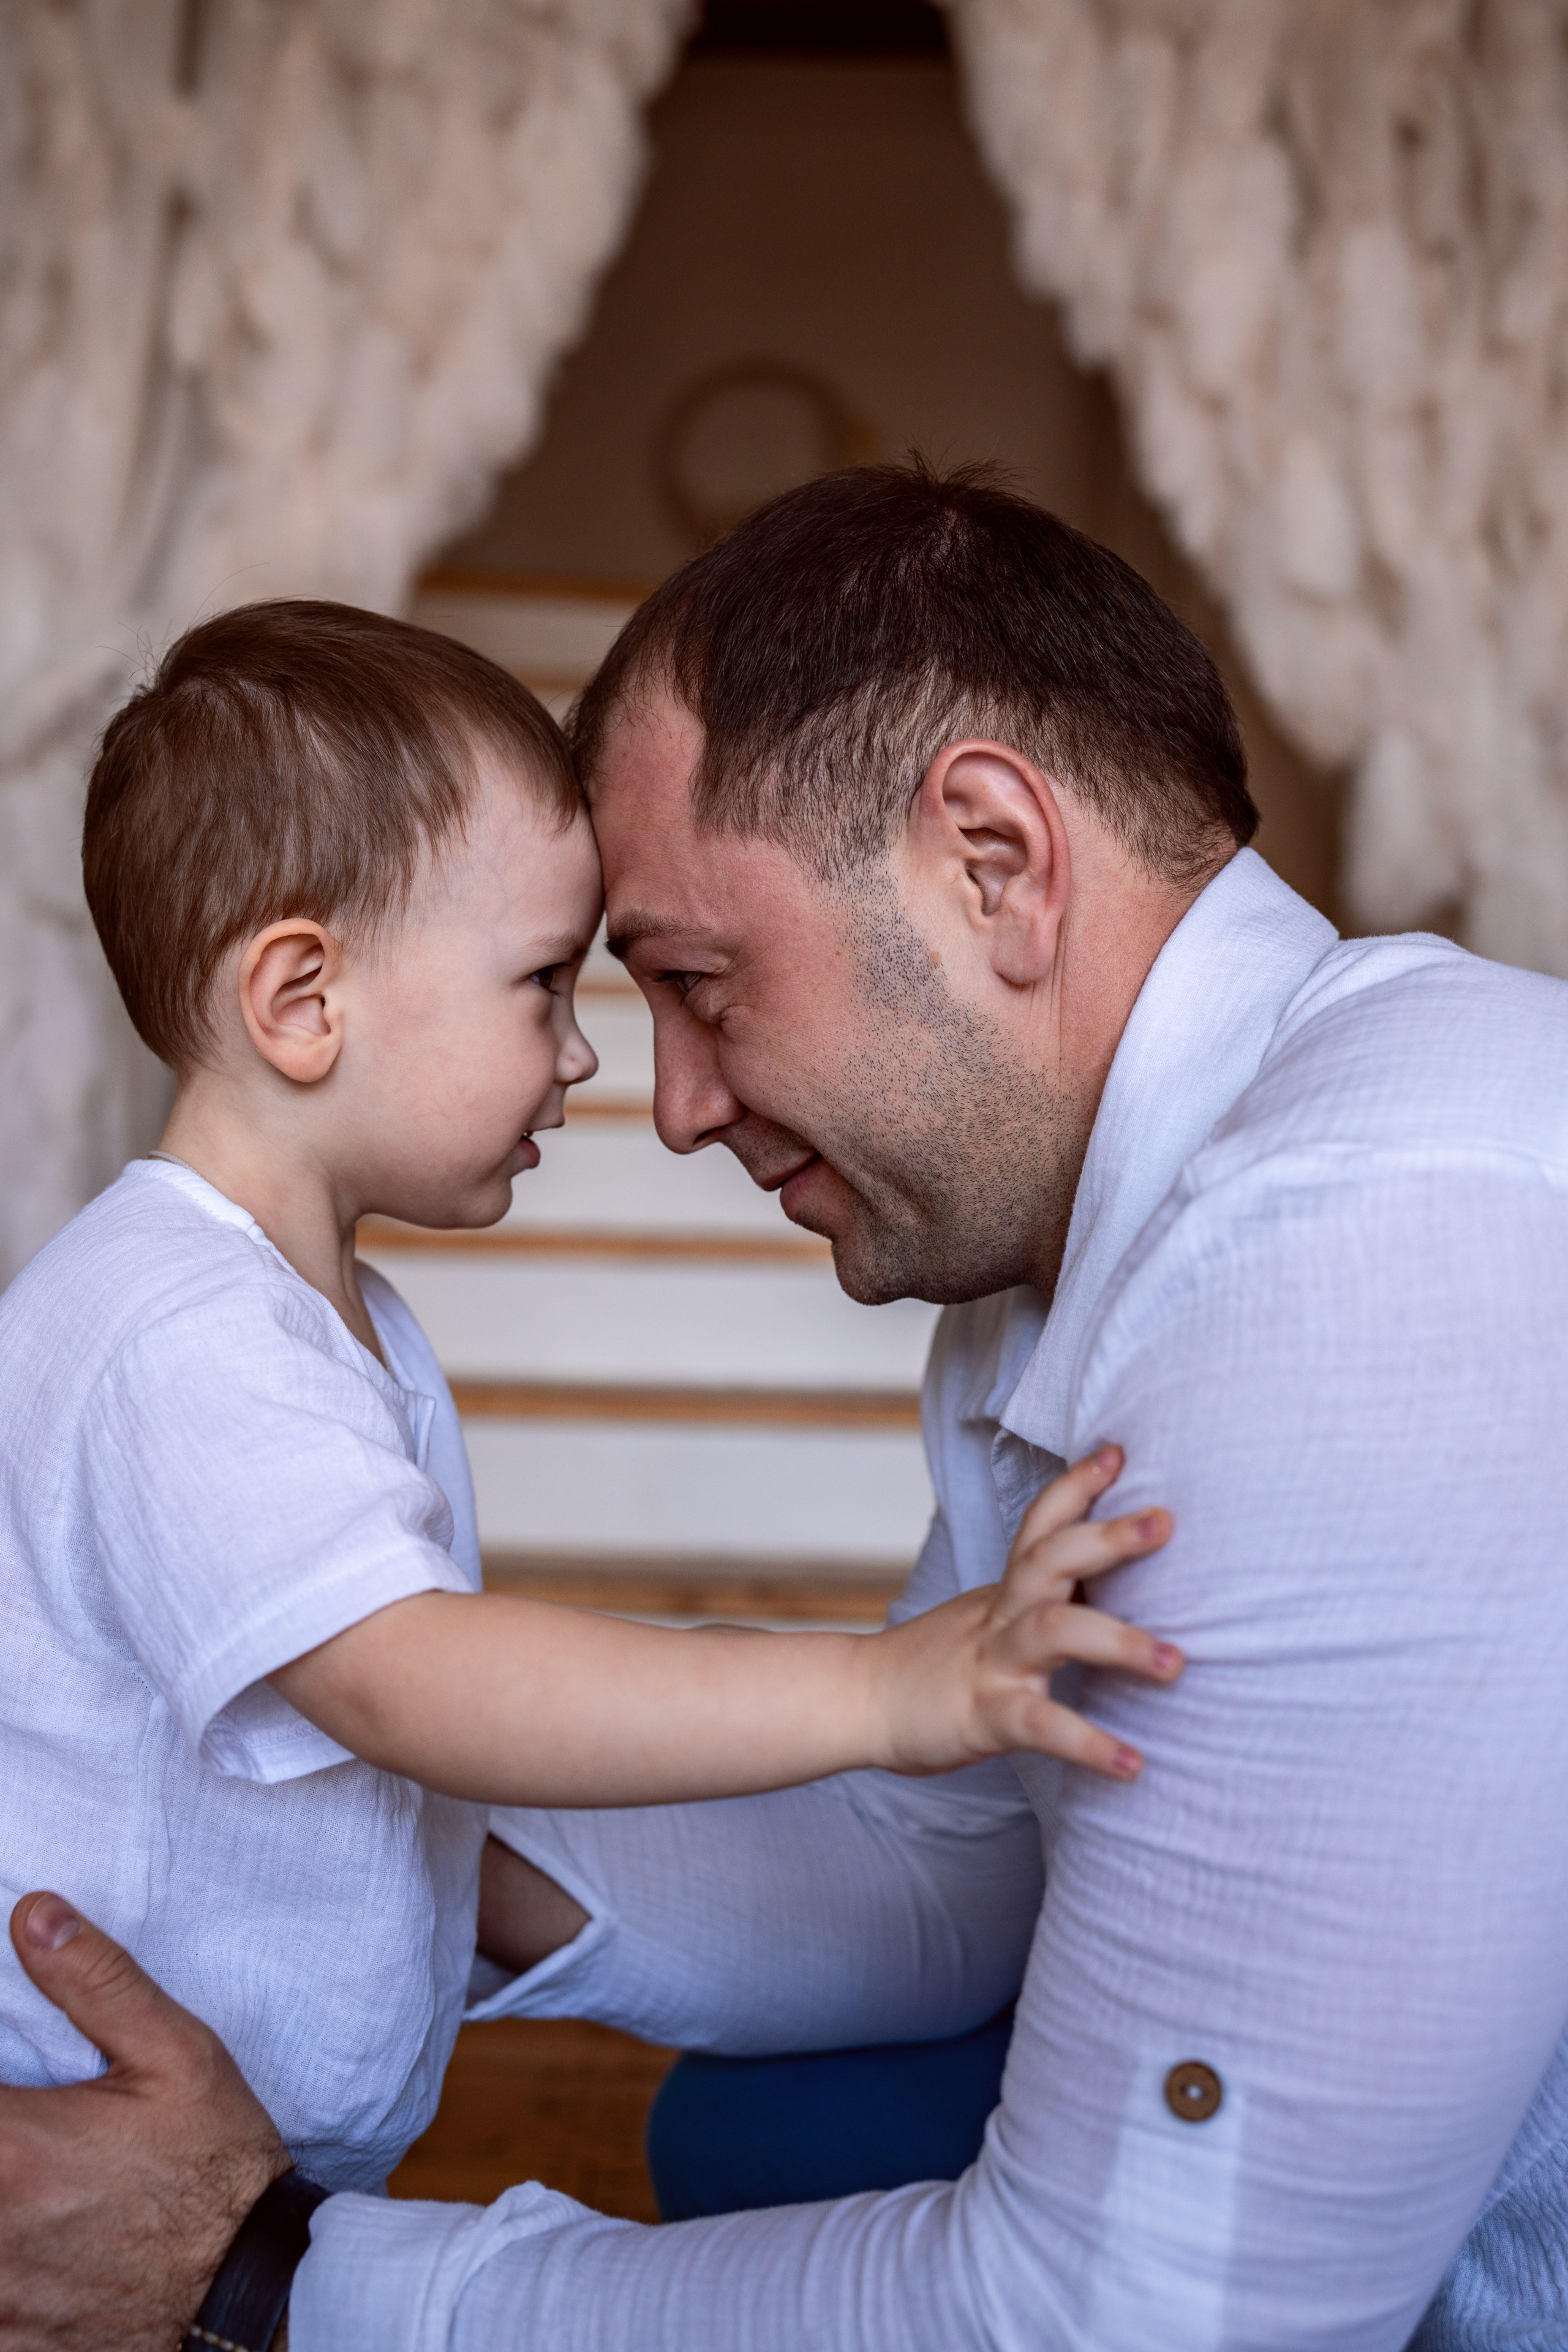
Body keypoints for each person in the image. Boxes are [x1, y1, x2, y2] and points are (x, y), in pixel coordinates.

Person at [5, 461, 1568, 2350]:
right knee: (764, 2117)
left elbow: (1142, 2323)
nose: (660, 1103)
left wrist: (264, 2278)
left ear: (992, 860)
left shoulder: (1367, 1252)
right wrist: (374, 1869)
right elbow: (965, 1858)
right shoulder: (1059, 1277)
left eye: (695, 981)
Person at [0, 599, 1177, 2190]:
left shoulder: (314, 1315)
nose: (580, 1061)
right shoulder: (173, 1326)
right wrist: (885, 1692)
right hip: (80, 2155)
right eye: (543, 983)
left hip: (245, 2176)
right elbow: (415, 1684)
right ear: (301, 1002)